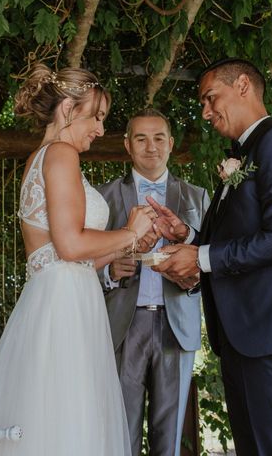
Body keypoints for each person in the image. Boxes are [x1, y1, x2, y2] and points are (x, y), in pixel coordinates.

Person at [0, 64, 158, 456]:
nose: (101, 130)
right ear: (69, 109)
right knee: (67, 418)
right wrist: (130, 233)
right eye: (97, 116)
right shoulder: (59, 154)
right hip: (64, 309)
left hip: (66, 295)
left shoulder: (43, 158)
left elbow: (71, 258)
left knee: (64, 416)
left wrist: (130, 244)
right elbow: (71, 245)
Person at [150, 59, 272, 455]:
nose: (205, 112)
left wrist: (200, 258)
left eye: (210, 98)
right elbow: (236, 239)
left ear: (243, 85)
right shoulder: (244, 153)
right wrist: (188, 236)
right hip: (244, 338)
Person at [97, 108, 210, 456]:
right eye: (141, 138)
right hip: (122, 327)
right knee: (120, 431)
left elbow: (214, 262)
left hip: (176, 326)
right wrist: (109, 272)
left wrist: (193, 280)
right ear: (128, 145)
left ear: (171, 144)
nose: (151, 147)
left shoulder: (198, 197)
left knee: (169, 434)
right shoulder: (104, 197)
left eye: (159, 137)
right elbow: (79, 261)